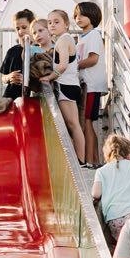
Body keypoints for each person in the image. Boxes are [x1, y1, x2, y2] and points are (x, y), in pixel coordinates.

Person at [92, 134, 130, 247]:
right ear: (128, 152)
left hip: (115, 219)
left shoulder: (101, 171)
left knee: (126, 246)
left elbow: (96, 194)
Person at [47, 8, 86, 164]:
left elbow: (62, 65)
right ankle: (79, 159)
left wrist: (48, 77)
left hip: (66, 86)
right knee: (72, 124)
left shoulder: (63, 40)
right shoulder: (64, 39)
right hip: (70, 85)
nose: (52, 25)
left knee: (73, 125)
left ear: (66, 24)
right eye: (50, 22)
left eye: (56, 22)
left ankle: (81, 160)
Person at [74, 0, 107, 166]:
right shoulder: (82, 37)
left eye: (82, 15)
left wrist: (73, 65)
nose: (78, 18)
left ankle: (92, 160)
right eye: (76, 16)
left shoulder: (94, 35)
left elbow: (93, 59)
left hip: (92, 85)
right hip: (86, 85)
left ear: (92, 16)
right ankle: (91, 159)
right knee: (86, 122)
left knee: (87, 122)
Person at [0, 8, 35, 99]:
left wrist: (26, 80)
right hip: (10, 99)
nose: (20, 31)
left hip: (33, 100)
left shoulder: (40, 50)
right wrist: (9, 77)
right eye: (17, 28)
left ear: (32, 26)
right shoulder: (12, 51)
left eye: (24, 27)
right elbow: (3, 77)